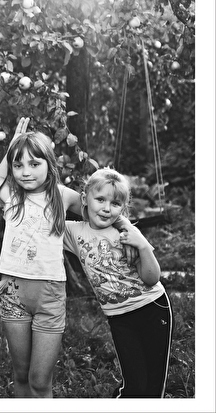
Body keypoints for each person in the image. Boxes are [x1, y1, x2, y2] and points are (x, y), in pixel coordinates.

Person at [0, 118, 83, 398]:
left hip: (49, 295)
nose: (25, 172)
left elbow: (97, 211)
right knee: (22, 374)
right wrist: (10, 147)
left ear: (49, 164)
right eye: (18, 165)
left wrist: (127, 232)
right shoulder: (10, 194)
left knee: (39, 380)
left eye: (34, 164)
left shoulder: (62, 196)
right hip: (13, 293)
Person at [64, 167, 172, 397]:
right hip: (120, 318)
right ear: (84, 199)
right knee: (134, 385)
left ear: (123, 208)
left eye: (115, 204)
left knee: (153, 387)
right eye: (100, 199)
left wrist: (142, 245)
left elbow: (152, 277)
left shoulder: (128, 235)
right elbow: (50, 200)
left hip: (153, 308)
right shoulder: (73, 232)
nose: (106, 208)